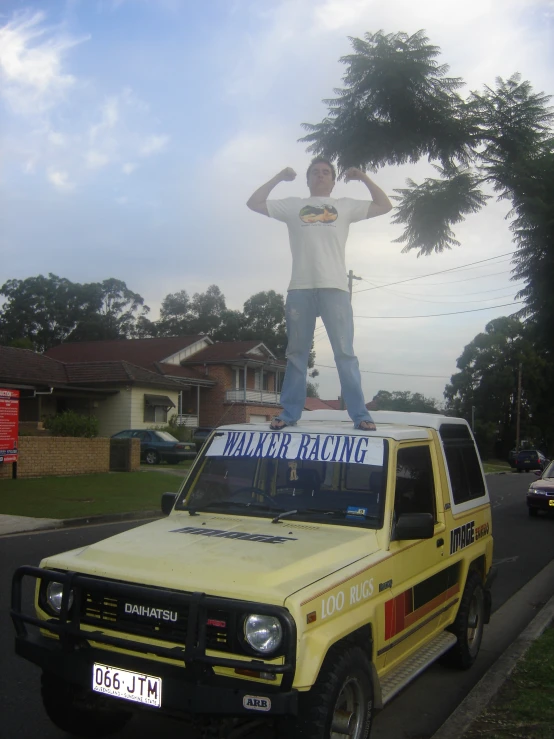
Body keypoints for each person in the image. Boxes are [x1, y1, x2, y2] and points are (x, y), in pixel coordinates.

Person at [246, 158, 392, 431]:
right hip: (299, 289)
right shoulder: (292, 205)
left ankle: (361, 415)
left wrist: (363, 177)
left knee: (345, 354)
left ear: (333, 180)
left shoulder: (346, 205)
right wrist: (279, 176)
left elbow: (385, 205)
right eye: (315, 172)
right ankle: (289, 413)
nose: (321, 175)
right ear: (308, 179)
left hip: (335, 289)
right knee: (296, 354)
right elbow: (253, 203)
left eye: (326, 172)